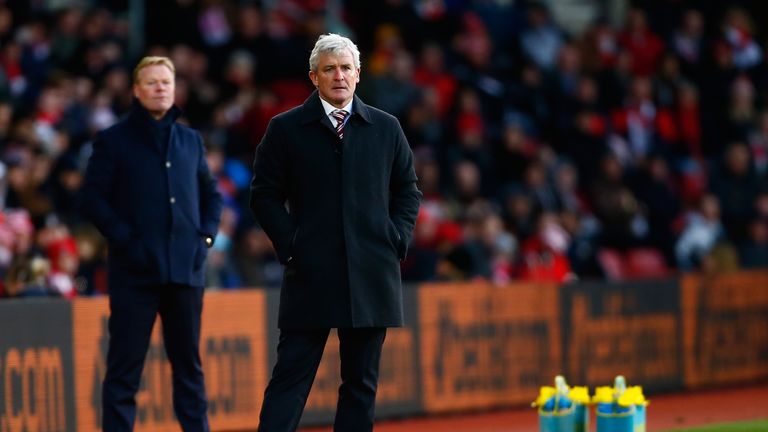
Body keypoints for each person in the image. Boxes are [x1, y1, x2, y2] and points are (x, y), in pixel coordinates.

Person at [249, 33, 421, 431]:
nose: (338, 76)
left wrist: (395, 238)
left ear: (358, 75)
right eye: (329, 69)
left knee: (361, 384)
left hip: (371, 272)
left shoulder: (387, 127)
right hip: (311, 272)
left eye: (345, 68)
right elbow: (264, 196)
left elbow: (408, 189)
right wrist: (292, 246)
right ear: (314, 77)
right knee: (290, 378)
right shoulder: (285, 128)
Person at [81, 56, 222, 432]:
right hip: (134, 275)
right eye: (153, 82)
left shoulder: (191, 140)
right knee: (124, 371)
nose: (161, 88)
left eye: (167, 82)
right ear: (136, 90)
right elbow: (92, 199)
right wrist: (127, 241)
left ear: (175, 89)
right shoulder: (113, 140)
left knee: (189, 370)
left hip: (185, 272)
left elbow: (212, 195)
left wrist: (205, 238)